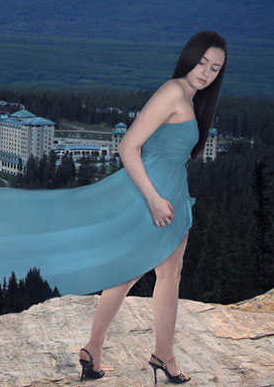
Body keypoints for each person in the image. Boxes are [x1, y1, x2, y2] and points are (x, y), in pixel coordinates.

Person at [77, 31, 227, 384]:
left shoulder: (192, 98)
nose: (206, 72)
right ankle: (101, 350)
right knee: (130, 274)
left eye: (215, 68)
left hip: (172, 194)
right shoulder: (173, 91)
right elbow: (128, 146)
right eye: (202, 62)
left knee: (168, 276)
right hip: (155, 197)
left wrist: (166, 197)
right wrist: (153, 199)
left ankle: (153, 353)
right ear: (189, 57)